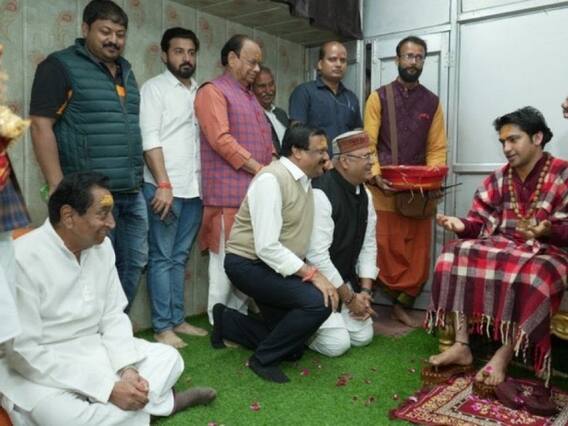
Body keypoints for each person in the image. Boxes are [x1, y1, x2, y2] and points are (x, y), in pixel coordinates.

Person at [0, 172, 216, 425]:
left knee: (169, 359)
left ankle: (119, 411)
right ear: (68, 216)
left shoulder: (102, 247)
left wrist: (128, 370)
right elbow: (23, 352)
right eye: (102, 214)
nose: (112, 223)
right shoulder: (22, 258)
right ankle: (159, 407)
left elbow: (113, 316)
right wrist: (107, 389)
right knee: (61, 416)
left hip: (94, 349)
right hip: (44, 365)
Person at [427, 106, 568, 387]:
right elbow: (479, 223)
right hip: (505, 245)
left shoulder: (563, 173)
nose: (506, 148)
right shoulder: (500, 177)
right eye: (503, 141)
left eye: (513, 139)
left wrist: (547, 230)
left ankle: (504, 353)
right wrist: (460, 225)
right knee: (453, 252)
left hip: (549, 251)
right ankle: (462, 345)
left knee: (535, 274)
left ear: (537, 137)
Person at [29, 0, 147, 309]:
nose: (113, 40)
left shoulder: (126, 71)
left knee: (133, 263)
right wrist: (58, 187)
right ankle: (89, 330)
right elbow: (41, 126)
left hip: (131, 191)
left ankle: (116, 325)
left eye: (120, 34)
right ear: (85, 29)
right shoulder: (59, 66)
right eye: (105, 31)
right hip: (89, 197)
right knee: (91, 271)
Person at [210, 125, 337, 383]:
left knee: (294, 349)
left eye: (326, 151)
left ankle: (227, 321)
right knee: (318, 302)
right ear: (297, 152)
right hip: (247, 265)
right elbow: (266, 247)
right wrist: (313, 274)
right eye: (320, 152)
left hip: (272, 266)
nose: (326, 158)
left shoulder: (304, 181)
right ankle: (262, 360)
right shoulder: (271, 179)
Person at [364, 35, 447, 327]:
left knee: (417, 253)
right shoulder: (378, 97)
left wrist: (432, 181)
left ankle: (401, 306)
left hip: (418, 195)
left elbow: (437, 148)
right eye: (409, 56)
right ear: (398, 59)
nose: (414, 61)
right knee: (383, 249)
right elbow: (368, 142)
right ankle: (369, 301)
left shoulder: (432, 102)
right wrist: (375, 175)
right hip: (384, 191)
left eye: (419, 57)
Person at [194, 34, 273, 325]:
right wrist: (260, 169)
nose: (257, 69)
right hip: (227, 199)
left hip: (252, 197)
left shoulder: (250, 96)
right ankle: (219, 325)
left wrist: (274, 169)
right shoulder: (212, 91)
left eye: (259, 63)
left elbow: (266, 143)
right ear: (231, 59)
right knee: (223, 267)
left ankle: (236, 324)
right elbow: (221, 139)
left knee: (245, 265)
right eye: (252, 62)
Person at [140, 27, 207, 349]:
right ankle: (162, 326)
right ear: (165, 54)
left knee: (179, 257)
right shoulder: (154, 89)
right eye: (179, 52)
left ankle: (178, 320)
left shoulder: (201, 92)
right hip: (165, 188)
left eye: (191, 52)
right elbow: (149, 138)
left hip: (195, 189)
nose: (186, 58)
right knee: (162, 257)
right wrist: (163, 183)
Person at [307, 130, 377, 357]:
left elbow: (368, 244)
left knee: (363, 336)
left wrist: (364, 292)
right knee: (337, 345)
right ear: (345, 162)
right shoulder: (321, 193)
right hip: (315, 284)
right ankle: (301, 331)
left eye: (371, 155)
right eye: (365, 157)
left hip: (345, 282)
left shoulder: (366, 194)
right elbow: (316, 257)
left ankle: (333, 318)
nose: (371, 162)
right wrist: (350, 298)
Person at [289, 41, 362, 150]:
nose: (338, 64)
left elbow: (357, 133)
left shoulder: (351, 97)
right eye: (332, 59)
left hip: (345, 159)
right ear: (320, 64)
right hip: (315, 159)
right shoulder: (304, 92)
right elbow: (297, 134)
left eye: (343, 60)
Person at [252, 66, 288, 155]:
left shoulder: (281, 114)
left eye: (271, 84)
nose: (268, 91)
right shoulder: (251, 115)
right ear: (251, 89)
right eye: (262, 86)